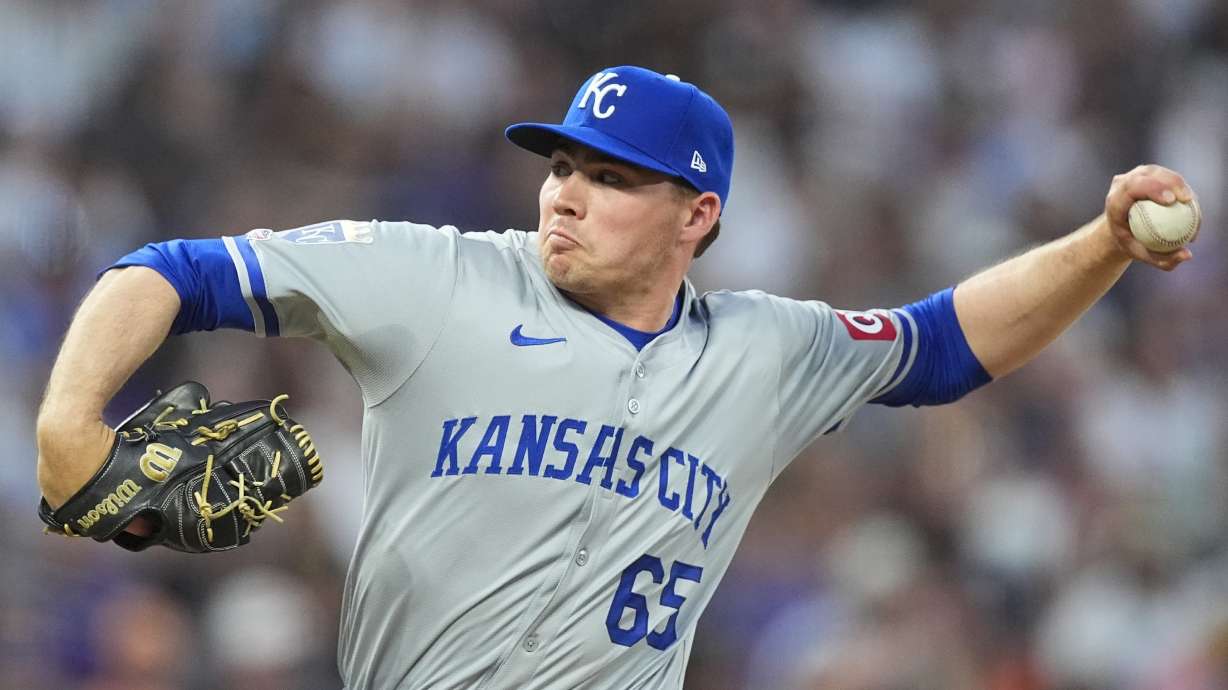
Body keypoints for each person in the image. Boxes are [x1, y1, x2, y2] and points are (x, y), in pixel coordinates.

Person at [35, 65, 1196, 689]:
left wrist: (1099, 244)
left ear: (697, 215)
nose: (565, 193)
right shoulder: (436, 277)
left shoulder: (764, 349)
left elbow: (941, 344)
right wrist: (69, 423)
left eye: (610, 176)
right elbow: (170, 271)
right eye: (562, 165)